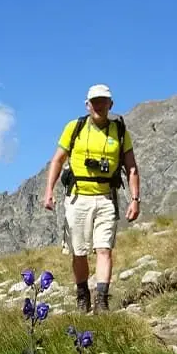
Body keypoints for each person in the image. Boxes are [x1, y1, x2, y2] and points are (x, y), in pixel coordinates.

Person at [42, 83, 141, 313]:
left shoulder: (120, 132)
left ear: (110, 104)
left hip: (107, 198)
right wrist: (49, 191)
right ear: (87, 105)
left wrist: (135, 199)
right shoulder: (74, 128)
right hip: (78, 199)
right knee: (79, 252)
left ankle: (102, 300)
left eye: (103, 101)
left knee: (104, 249)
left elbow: (132, 168)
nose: (99, 105)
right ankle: (82, 296)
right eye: (94, 101)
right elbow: (57, 159)